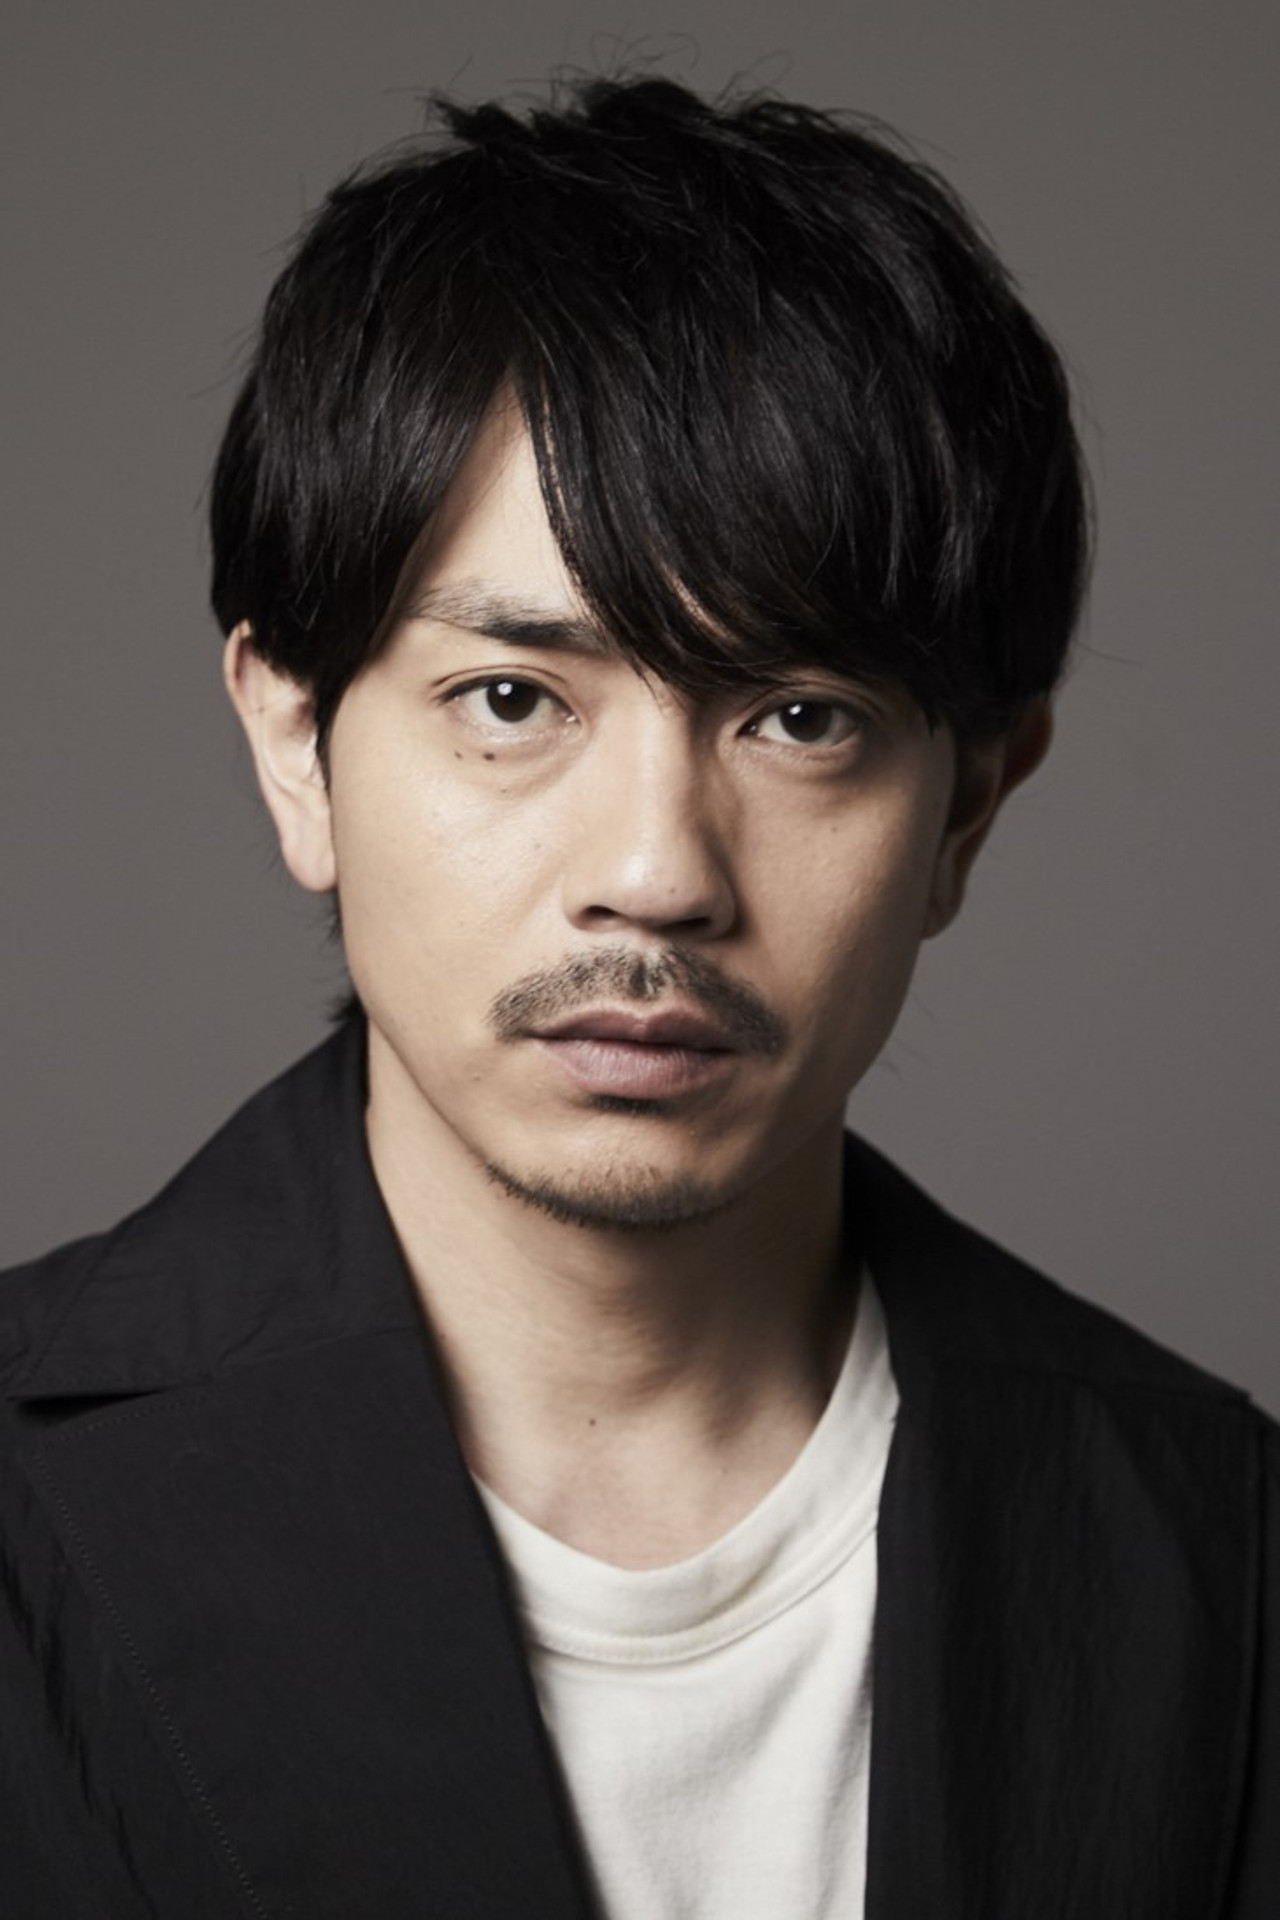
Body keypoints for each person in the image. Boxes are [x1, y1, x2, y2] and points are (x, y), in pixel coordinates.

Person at [0, 74, 1274, 1920]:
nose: (660, 869)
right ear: (296, 746)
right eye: (516, 700)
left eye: (801, 719)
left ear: (969, 810)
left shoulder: (1221, 1551)